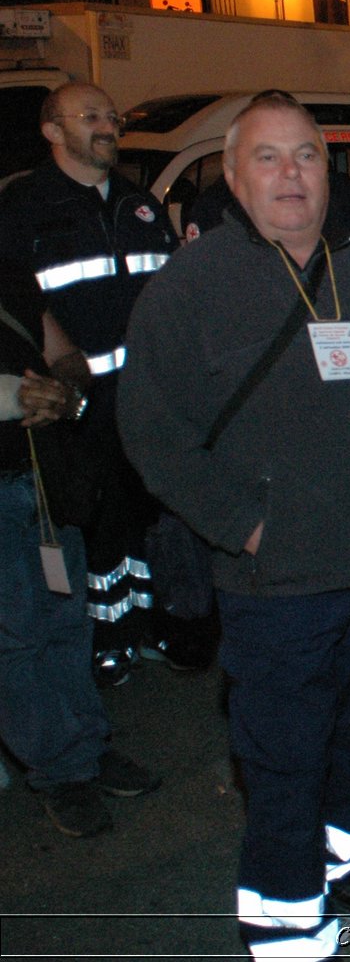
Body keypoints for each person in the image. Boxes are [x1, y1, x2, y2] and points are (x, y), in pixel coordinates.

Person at [118, 93, 350, 956]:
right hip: (274, 584)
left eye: (306, 156)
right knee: (284, 762)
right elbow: (150, 430)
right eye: (267, 158)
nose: (290, 174)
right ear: (234, 178)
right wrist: (242, 526)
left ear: (329, 171)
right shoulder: (191, 287)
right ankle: (286, 931)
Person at [0, 83, 183, 683]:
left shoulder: (140, 205)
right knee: (89, 534)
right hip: (72, 414)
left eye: (113, 115)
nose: (109, 126)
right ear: (52, 131)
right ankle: (100, 643)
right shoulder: (23, 207)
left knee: (143, 525)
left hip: (145, 406)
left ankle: (144, 627)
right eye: (92, 117)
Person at [0, 278, 161, 837]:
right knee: (19, 638)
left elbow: (66, 355)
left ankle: (85, 748)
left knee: (68, 621)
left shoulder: (7, 270)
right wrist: (11, 396)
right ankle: (61, 770)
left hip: (47, 479)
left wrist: (63, 390)